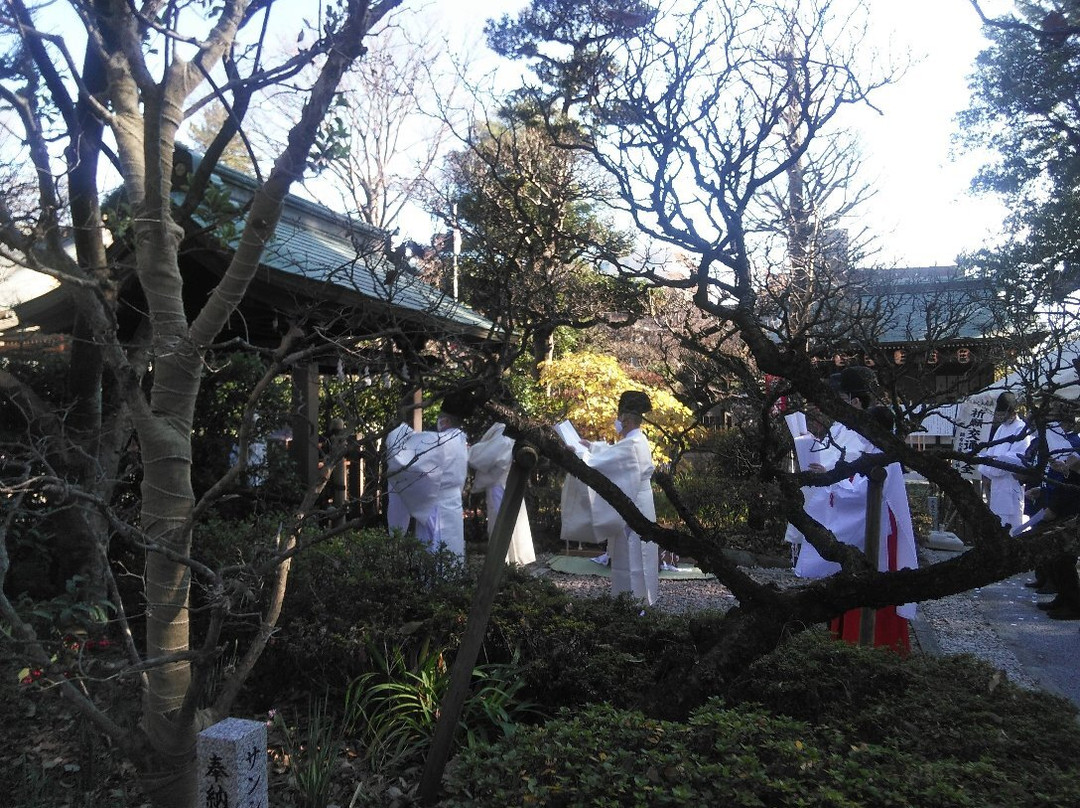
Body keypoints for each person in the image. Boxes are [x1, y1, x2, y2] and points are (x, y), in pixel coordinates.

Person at [565, 390, 660, 605]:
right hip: (639, 502)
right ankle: (635, 602)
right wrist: (592, 447)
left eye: (619, 418)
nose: (616, 422)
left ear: (625, 419)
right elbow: (612, 454)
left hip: (635, 504)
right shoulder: (637, 440)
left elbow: (601, 462)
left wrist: (578, 454)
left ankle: (633, 604)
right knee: (632, 554)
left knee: (633, 554)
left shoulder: (631, 444)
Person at [385, 390, 473, 559]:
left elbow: (407, 461)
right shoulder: (461, 440)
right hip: (453, 505)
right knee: (452, 553)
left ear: (445, 420)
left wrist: (398, 432)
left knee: (434, 555)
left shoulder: (442, 442)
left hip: (435, 506)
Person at [1013, 408, 1080, 620]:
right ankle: (1064, 597)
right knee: (1055, 558)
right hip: (1058, 503)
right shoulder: (1057, 445)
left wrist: (1055, 506)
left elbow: (1070, 479)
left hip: (1069, 510)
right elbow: (1057, 478)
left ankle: (1073, 603)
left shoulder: (1073, 444)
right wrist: (1043, 491)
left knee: (1062, 559)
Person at [468, 422, 536, 566]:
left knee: (501, 522)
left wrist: (468, 452)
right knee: (511, 521)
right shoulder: (509, 433)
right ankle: (511, 560)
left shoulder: (504, 436)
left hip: (500, 484)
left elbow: (486, 457)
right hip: (507, 482)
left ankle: (502, 561)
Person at [978, 392, 1031, 533]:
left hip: (1011, 486)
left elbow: (1015, 459)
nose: (1000, 418)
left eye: (1002, 414)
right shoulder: (1001, 429)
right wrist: (990, 464)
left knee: (1013, 528)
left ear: (1012, 412)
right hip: (996, 487)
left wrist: (993, 463)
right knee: (997, 525)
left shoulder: (1021, 429)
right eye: (999, 414)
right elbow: (989, 455)